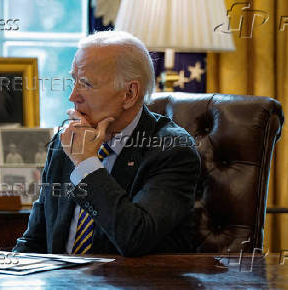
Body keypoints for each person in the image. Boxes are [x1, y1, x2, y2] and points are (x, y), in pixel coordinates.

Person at [13, 31, 201, 257]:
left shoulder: (172, 149)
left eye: (86, 84)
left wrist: (86, 163)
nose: (73, 96)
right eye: (74, 81)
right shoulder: (65, 142)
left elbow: (135, 238)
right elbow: (35, 239)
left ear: (130, 94)